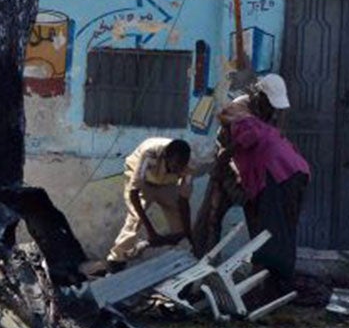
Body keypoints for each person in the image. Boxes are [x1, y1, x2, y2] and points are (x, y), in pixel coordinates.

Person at [217, 87, 312, 295]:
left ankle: (272, 285)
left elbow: (250, 136)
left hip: (280, 174)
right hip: (293, 172)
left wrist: (227, 153)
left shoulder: (246, 121)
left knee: (273, 231)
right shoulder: (246, 115)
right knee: (282, 229)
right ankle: (277, 283)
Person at [107, 135, 196, 266]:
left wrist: (188, 234)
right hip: (142, 182)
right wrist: (151, 231)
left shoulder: (189, 166)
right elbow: (134, 194)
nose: (178, 169)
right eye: (175, 165)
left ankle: (182, 256)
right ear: (166, 157)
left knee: (178, 217)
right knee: (135, 218)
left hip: (167, 184)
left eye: (181, 167)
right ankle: (116, 259)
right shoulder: (150, 154)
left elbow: (183, 200)